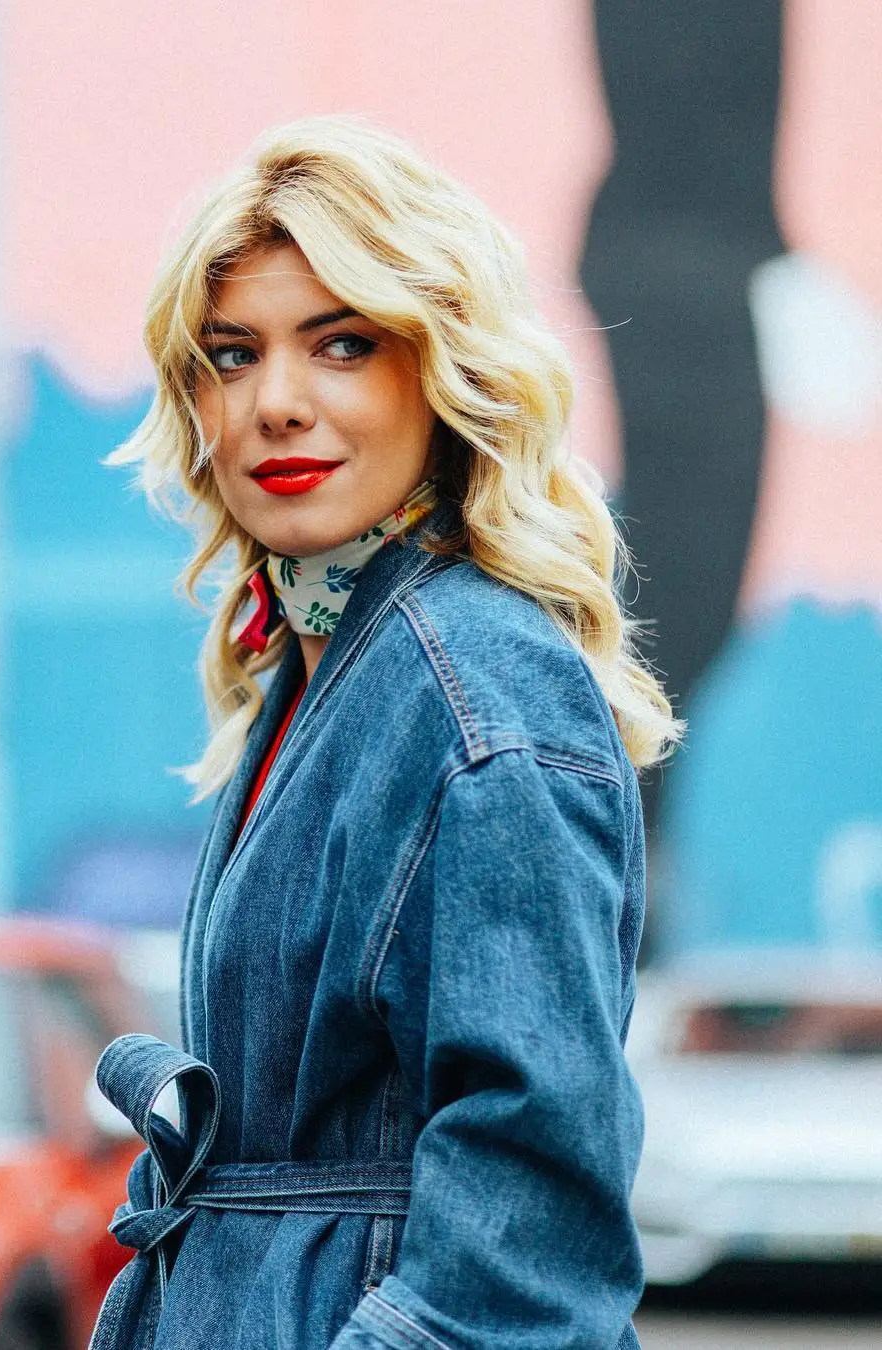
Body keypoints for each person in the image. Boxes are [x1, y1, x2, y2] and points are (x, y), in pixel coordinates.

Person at [89, 114, 682, 1350]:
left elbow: (523, 1254)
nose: (276, 403)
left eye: (343, 344)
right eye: (232, 354)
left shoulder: (477, 687)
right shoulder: (328, 665)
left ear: (443, 370)